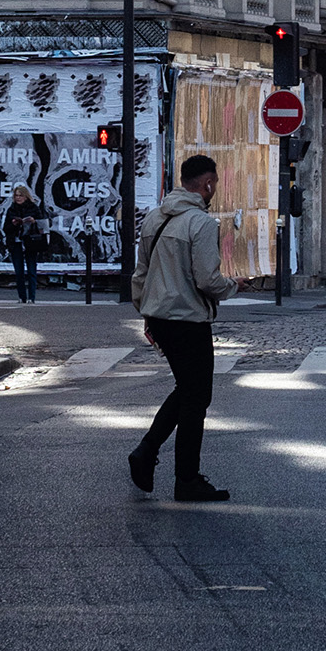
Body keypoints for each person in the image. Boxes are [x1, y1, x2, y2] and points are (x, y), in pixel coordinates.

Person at [127, 153, 234, 502]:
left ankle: (147, 453)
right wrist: (234, 286)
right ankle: (185, 478)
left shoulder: (155, 218)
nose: (214, 189)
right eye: (214, 183)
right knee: (197, 396)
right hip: (187, 319)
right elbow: (207, 280)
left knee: (187, 390)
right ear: (206, 185)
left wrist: (146, 312)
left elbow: (141, 272)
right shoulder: (201, 224)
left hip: (160, 317)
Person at [3, 185, 44, 303]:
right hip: (16, 242)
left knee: (31, 270)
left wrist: (34, 221)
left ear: (26, 196)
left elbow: (43, 225)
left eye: (21, 195)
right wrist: (14, 224)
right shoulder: (11, 209)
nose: (18, 198)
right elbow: (5, 228)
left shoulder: (34, 208)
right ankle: (22, 297)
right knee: (19, 272)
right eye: (16, 195)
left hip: (30, 242)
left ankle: (32, 297)